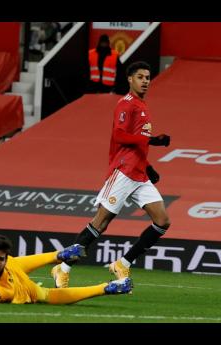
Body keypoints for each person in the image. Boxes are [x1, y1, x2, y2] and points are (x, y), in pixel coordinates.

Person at [52, 61, 171, 288]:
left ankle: (123, 263)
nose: (145, 81)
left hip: (138, 174)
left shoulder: (142, 106)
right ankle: (63, 267)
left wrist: (148, 167)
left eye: (147, 77)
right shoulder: (126, 104)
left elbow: (136, 146)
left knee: (162, 221)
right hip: (123, 172)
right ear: (129, 79)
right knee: (101, 222)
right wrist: (152, 140)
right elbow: (119, 136)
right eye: (140, 77)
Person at [0, 235, 133, 304]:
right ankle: (59, 256)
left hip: (18, 283)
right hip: (13, 264)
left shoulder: (1, 290)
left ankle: (108, 287)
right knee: (15, 261)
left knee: (47, 295)